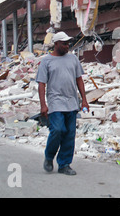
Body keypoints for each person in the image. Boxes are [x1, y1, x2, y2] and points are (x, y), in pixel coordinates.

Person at [36, 31, 89, 175]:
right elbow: (41, 84)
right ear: (56, 44)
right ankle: (49, 156)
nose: (67, 46)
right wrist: (43, 105)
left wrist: (84, 100)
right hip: (55, 101)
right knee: (58, 130)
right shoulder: (46, 61)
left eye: (68, 43)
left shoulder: (73, 59)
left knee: (69, 134)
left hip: (71, 101)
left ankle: (64, 164)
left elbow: (79, 79)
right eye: (64, 44)